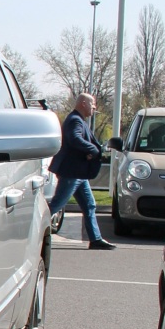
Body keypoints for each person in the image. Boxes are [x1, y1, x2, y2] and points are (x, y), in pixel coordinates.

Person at [48, 92, 115, 250]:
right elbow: (74, 138)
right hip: (72, 172)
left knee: (90, 205)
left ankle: (95, 239)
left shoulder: (79, 120)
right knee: (57, 204)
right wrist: (93, 149)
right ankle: (29, 229)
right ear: (83, 103)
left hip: (78, 173)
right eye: (92, 104)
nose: (94, 107)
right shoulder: (74, 121)